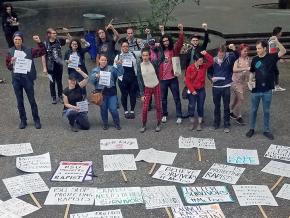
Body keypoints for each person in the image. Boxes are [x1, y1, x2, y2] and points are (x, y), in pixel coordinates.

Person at [246, 39, 286, 140]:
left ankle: (266, 130)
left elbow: (283, 51)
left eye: (259, 48)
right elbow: (252, 72)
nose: (257, 50)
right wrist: (250, 82)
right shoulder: (255, 59)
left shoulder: (272, 57)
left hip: (267, 90)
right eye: (256, 49)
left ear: (265, 48)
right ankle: (251, 128)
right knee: (253, 110)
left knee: (266, 111)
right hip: (255, 90)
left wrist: (276, 41)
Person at [6, 32, 46, 129]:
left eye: (19, 39)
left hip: (27, 79)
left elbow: (42, 52)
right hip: (16, 80)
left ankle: (36, 120)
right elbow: (9, 67)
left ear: (22, 40)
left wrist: (39, 42)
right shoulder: (10, 51)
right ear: (13, 40)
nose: (17, 41)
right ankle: (23, 120)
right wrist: (11, 62)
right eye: (15, 39)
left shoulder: (29, 50)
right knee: (20, 101)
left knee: (32, 100)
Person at [207, 44, 239, 133]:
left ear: (225, 53)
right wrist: (211, 79)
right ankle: (216, 124)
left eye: (223, 53)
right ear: (217, 52)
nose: (221, 55)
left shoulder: (229, 58)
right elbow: (209, 72)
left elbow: (238, 56)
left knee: (226, 106)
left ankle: (226, 124)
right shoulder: (213, 60)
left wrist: (234, 49)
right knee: (217, 106)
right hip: (216, 87)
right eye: (220, 53)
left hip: (226, 86)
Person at [90, 54, 124, 130]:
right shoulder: (95, 70)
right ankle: (105, 123)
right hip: (101, 93)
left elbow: (120, 73)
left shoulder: (111, 68)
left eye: (105, 60)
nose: (103, 61)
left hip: (112, 92)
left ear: (107, 61)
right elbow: (91, 81)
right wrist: (96, 76)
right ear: (99, 61)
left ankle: (117, 123)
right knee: (103, 109)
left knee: (113, 109)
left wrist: (119, 65)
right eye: (102, 60)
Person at [159, 24, 184, 124]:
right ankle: (164, 114)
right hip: (163, 79)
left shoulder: (174, 50)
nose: (165, 42)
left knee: (176, 98)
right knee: (163, 99)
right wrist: (162, 32)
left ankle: (179, 115)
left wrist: (181, 30)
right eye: (163, 41)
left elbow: (180, 42)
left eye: (167, 41)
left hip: (173, 78)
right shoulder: (160, 51)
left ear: (169, 41)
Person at [185, 50, 213, 131]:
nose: (202, 62)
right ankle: (192, 122)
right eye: (200, 60)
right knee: (191, 106)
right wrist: (192, 90)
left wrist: (206, 54)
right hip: (192, 91)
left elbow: (211, 61)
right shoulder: (190, 68)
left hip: (201, 90)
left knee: (200, 107)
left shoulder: (204, 66)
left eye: (202, 60)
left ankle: (200, 123)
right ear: (195, 61)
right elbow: (187, 81)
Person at [42, 28, 70, 104]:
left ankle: (60, 96)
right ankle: (53, 97)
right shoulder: (45, 44)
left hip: (58, 65)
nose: (55, 34)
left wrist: (67, 32)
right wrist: (44, 68)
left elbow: (69, 40)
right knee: (52, 82)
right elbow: (43, 56)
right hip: (50, 66)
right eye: (53, 33)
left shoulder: (59, 41)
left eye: (55, 33)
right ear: (49, 34)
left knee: (59, 81)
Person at [138, 48, 162, 133]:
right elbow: (139, 81)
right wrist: (141, 94)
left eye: (146, 55)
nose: (145, 57)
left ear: (149, 55)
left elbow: (161, 57)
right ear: (141, 55)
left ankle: (159, 123)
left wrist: (158, 48)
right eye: (143, 55)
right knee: (145, 108)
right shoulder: (139, 65)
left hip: (156, 86)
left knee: (158, 106)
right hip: (147, 88)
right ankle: (144, 124)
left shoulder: (154, 62)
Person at [114, 40, 139, 119]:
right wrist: (118, 64)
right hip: (122, 79)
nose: (125, 48)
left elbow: (136, 65)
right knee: (124, 95)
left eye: (127, 46)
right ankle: (125, 111)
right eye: (124, 46)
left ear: (129, 47)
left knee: (132, 95)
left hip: (132, 78)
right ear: (121, 47)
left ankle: (132, 110)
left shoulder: (133, 55)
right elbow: (114, 69)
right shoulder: (118, 56)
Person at [63, 67, 90, 132]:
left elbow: (87, 78)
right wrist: (74, 107)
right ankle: (72, 124)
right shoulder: (65, 91)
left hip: (80, 108)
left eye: (74, 80)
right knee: (72, 112)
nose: (73, 82)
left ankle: (77, 119)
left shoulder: (79, 86)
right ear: (68, 80)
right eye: (71, 80)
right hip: (70, 109)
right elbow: (66, 104)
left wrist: (80, 71)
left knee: (86, 127)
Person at [230, 44, 251, 125]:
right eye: (244, 51)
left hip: (243, 83)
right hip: (235, 83)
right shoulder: (237, 60)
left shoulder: (248, 59)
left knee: (236, 99)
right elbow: (234, 69)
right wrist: (245, 69)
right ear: (240, 51)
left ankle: (230, 111)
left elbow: (250, 69)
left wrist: (250, 80)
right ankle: (239, 116)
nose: (246, 52)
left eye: (247, 51)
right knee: (241, 99)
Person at [269, 26, 286, 92]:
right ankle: (273, 86)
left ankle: (275, 86)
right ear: (278, 33)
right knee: (274, 72)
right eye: (281, 32)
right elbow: (272, 50)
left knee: (275, 72)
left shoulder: (273, 38)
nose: (282, 33)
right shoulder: (274, 40)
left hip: (273, 58)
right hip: (272, 58)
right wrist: (276, 57)